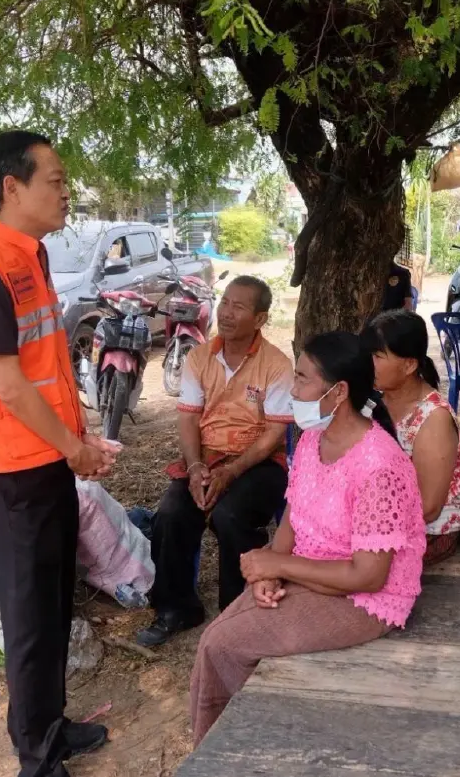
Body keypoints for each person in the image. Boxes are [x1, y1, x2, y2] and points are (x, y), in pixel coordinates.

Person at [0, 130, 119, 777]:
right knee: (28, 611)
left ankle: (48, 724)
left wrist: (76, 441)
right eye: (56, 179)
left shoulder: (30, 255)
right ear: (12, 187)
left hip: (43, 458)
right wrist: (77, 449)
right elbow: (9, 385)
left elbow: (45, 368)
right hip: (11, 469)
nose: (66, 191)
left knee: (52, 598)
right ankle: (35, 757)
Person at [189, 331, 425, 744]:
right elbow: (294, 520)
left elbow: (369, 576)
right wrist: (269, 574)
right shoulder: (314, 438)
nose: (291, 389)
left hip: (364, 599)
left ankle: (225, 750)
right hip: (311, 575)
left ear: (338, 392)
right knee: (220, 636)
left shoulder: (378, 465)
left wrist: (277, 564)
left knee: (220, 644)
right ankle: (225, 745)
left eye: (300, 379)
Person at [136, 275, 294, 647]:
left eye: (239, 306)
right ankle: (177, 608)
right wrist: (194, 468)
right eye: (225, 302)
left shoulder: (276, 364)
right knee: (173, 512)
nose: (226, 312)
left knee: (231, 515)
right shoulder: (199, 356)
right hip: (207, 458)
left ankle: (237, 610)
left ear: (259, 319)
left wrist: (233, 470)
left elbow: (274, 433)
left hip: (259, 461)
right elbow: (189, 418)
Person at [363, 310, 460, 565]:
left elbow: (429, 508)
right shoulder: (373, 401)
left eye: (377, 356)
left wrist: (363, 524)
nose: (367, 363)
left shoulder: (433, 419)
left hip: (427, 530)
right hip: (379, 516)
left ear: (409, 365)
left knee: (347, 562)